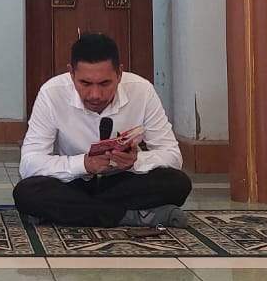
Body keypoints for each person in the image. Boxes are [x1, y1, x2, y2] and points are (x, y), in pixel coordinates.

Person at [14, 33, 191, 227]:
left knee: (178, 183)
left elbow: (172, 156)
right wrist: (84, 164)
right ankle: (130, 216)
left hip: (122, 183)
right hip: (73, 182)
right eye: (85, 83)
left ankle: (72, 211)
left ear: (119, 74)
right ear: (71, 74)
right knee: (26, 193)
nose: (95, 95)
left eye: (105, 83)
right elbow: (29, 164)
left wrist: (135, 162)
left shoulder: (142, 90)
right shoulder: (51, 93)